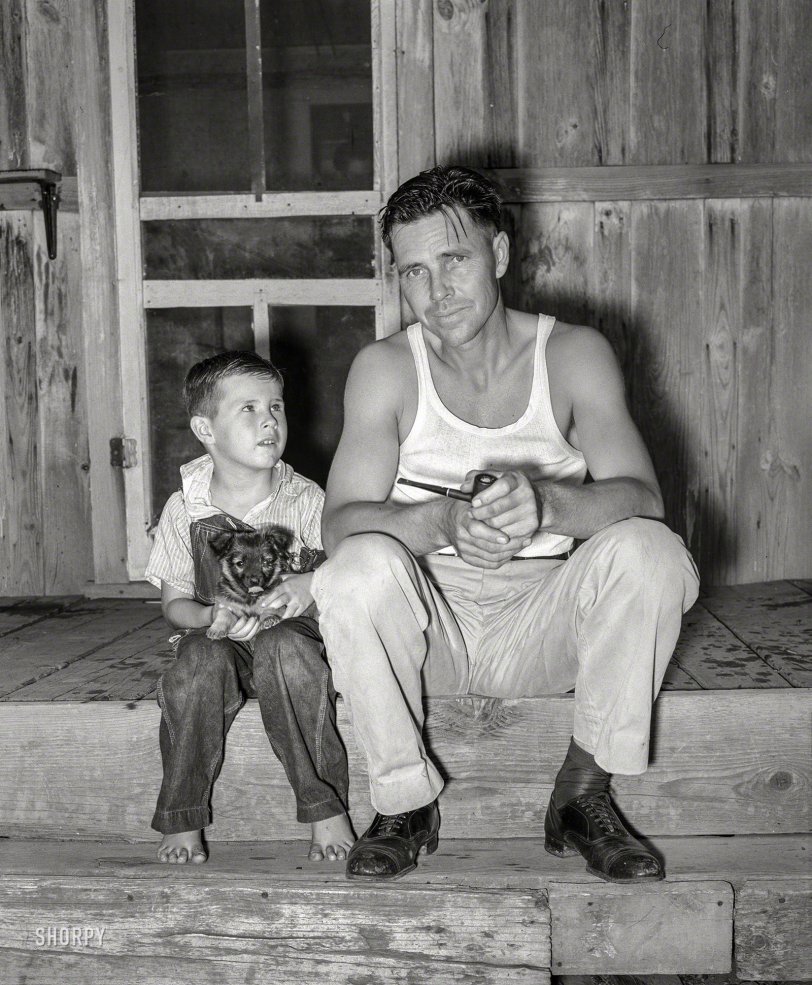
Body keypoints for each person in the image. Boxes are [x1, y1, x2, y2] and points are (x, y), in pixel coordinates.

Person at [312, 165, 700, 883]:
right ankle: (403, 801)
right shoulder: (385, 368)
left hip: (543, 623)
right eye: (414, 272)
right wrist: (440, 520)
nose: (437, 290)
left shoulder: (572, 353)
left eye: (454, 261)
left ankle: (585, 791)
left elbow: (645, 497)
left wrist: (551, 505)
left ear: (497, 254)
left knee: (654, 553)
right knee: (352, 570)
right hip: (430, 627)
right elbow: (338, 526)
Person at [145, 350, 354, 864]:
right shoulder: (185, 506)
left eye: (276, 407)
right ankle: (181, 814)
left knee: (286, 649)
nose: (269, 420)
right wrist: (206, 617)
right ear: (205, 428)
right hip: (223, 644)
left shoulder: (306, 500)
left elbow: (347, 574)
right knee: (195, 664)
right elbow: (174, 603)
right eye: (249, 409)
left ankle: (323, 803)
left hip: (292, 641)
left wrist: (311, 583)